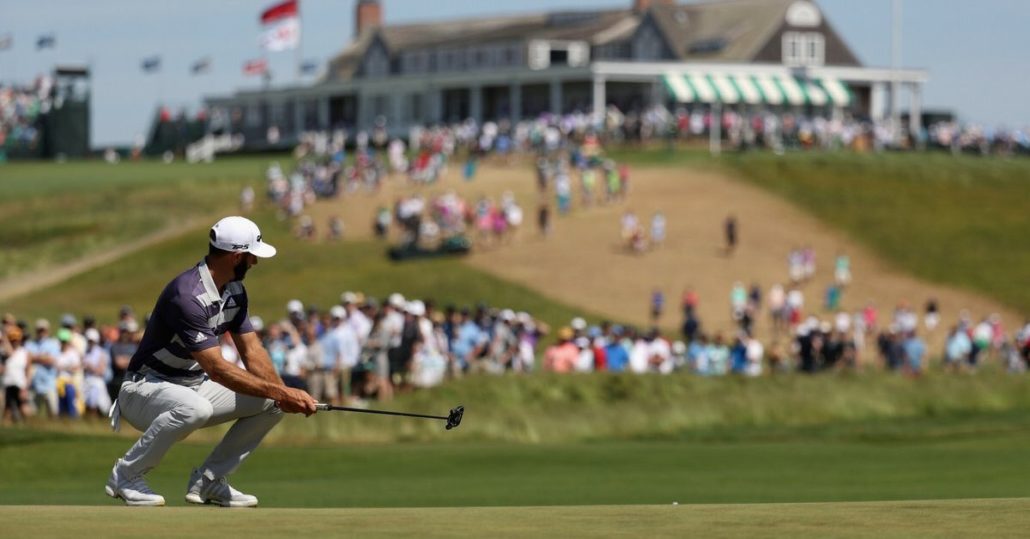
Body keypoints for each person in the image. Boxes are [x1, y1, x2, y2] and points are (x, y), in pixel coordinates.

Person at [106, 216, 317, 507]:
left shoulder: (235, 291)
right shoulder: (187, 295)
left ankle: (209, 482)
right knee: (197, 408)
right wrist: (283, 391)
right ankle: (126, 474)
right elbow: (217, 369)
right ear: (237, 256)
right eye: (252, 257)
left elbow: (253, 351)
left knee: (272, 402)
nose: (255, 264)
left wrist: (284, 395)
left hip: (192, 387)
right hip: (143, 390)